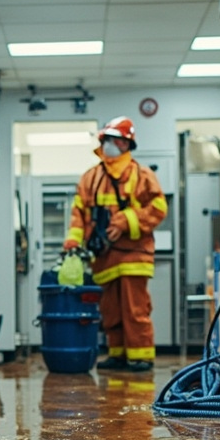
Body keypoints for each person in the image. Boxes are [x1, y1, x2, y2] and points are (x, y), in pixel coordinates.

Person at [63, 116, 168, 372]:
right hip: (104, 256)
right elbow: (79, 213)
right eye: (107, 139)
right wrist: (73, 240)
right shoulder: (90, 178)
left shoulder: (141, 174)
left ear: (127, 144)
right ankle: (118, 355)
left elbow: (158, 207)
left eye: (116, 139)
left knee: (135, 309)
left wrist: (126, 220)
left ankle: (141, 357)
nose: (110, 144)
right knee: (110, 311)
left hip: (134, 255)